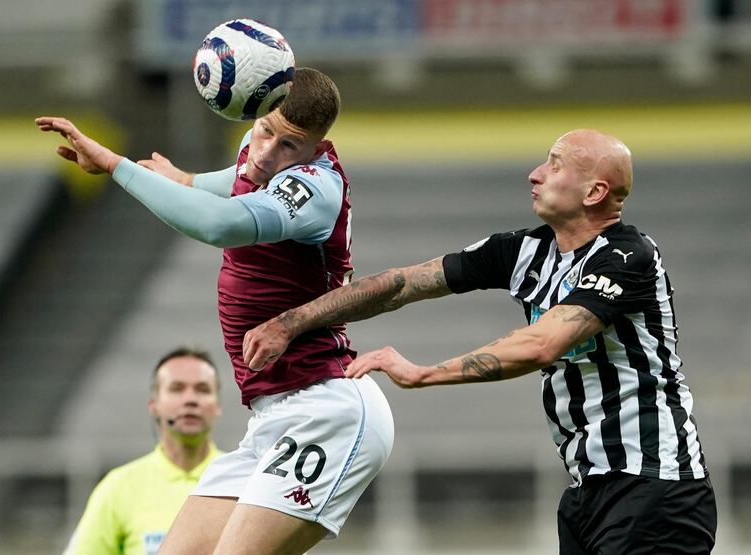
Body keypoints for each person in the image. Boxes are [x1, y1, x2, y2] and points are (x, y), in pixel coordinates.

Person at [243, 129, 717, 554]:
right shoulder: (525, 251)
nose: (535, 174)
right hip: (587, 494)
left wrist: (426, 372)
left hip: (658, 486)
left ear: (595, 192)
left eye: (554, 165)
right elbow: (403, 284)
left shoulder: (629, 256)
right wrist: (291, 322)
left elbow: (543, 344)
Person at [37, 67, 394, 555]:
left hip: (326, 408)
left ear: (317, 148)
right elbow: (224, 185)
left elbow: (221, 225)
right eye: (264, 130)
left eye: (288, 145)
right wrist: (180, 180)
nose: (267, 152)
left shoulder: (316, 188)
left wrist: (119, 166)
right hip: (272, 417)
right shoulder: (258, 156)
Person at [64, 347, 223, 555]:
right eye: (177, 388)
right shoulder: (118, 487)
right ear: (154, 405)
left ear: (217, 406)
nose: (190, 399)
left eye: (202, 389)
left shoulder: (244, 481)